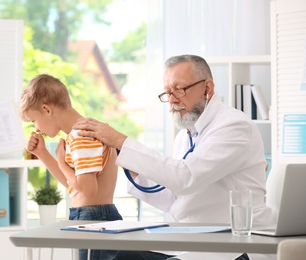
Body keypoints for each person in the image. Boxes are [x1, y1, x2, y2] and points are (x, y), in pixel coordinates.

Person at [73, 54, 274, 260]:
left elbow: (186, 179)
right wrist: (123, 156)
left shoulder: (233, 125)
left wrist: (120, 141)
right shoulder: (185, 136)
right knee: (114, 256)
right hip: (195, 243)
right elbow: (173, 197)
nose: (172, 99)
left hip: (236, 247)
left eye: (179, 89)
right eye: (167, 92)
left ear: (207, 88)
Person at [19, 74, 122, 260]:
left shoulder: (81, 136)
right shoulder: (81, 134)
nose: (36, 128)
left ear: (46, 109)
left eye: (34, 120)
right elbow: (76, 187)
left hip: (93, 219)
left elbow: (89, 190)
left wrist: (61, 162)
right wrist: (43, 154)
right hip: (93, 217)